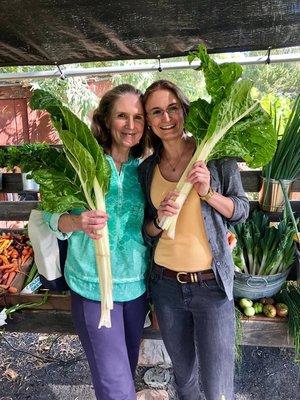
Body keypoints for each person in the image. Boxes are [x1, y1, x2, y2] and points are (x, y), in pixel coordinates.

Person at [138, 80, 249, 400]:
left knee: (217, 387)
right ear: (148, 120)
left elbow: (241, 211)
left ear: (184, 109)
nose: (166, 118)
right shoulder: (147, 170)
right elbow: (146, 233)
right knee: (184, 379)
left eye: (172, 108)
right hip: (166, 287)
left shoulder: (215, 158)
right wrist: (158, 220)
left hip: (211, 286)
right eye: (156, 112)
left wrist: (209, 193)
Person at [44, 84, 149, 400]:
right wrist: (77, 221)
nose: (130, 126)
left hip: (136, 289)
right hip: (91, 288)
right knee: (117, 388)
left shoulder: (145, 169)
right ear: (105, 120)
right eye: (121, 116)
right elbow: (49, 217)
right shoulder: (82, 164)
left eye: (138, 117)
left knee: (123, 375)